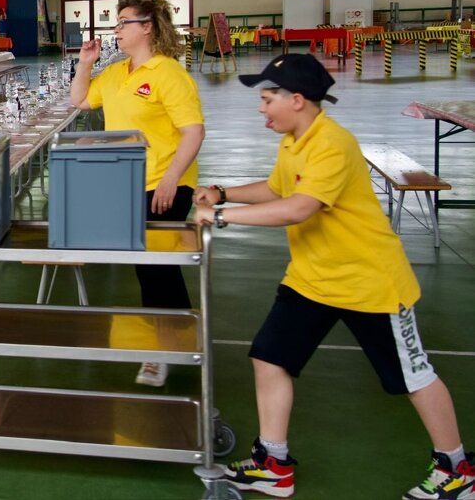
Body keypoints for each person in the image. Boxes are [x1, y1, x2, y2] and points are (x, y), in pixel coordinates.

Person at [193, 53, 472, 500]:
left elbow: (300, 207)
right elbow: (279, 188)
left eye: (268, 98)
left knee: (413, 376)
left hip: (370, 283)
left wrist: (222, 216)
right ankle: (273, 464)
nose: (261, 107)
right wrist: (223, 192)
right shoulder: (294, 141)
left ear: (297, 100)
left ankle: (456, 470)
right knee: (270, 356)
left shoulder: (332, 143)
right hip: (313, 279)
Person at [68, 0, 204, 388]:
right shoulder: (115, 73)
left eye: (124, 22)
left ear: (147, 27)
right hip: (127, 184)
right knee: (151, 269)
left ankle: (163, 351)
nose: (116, 29)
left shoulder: (168, 73)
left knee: (156, 268)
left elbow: (193, 131)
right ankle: (178, 339)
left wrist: (171, 179)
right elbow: (80, 100)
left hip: (164, 184)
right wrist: (85, 63)